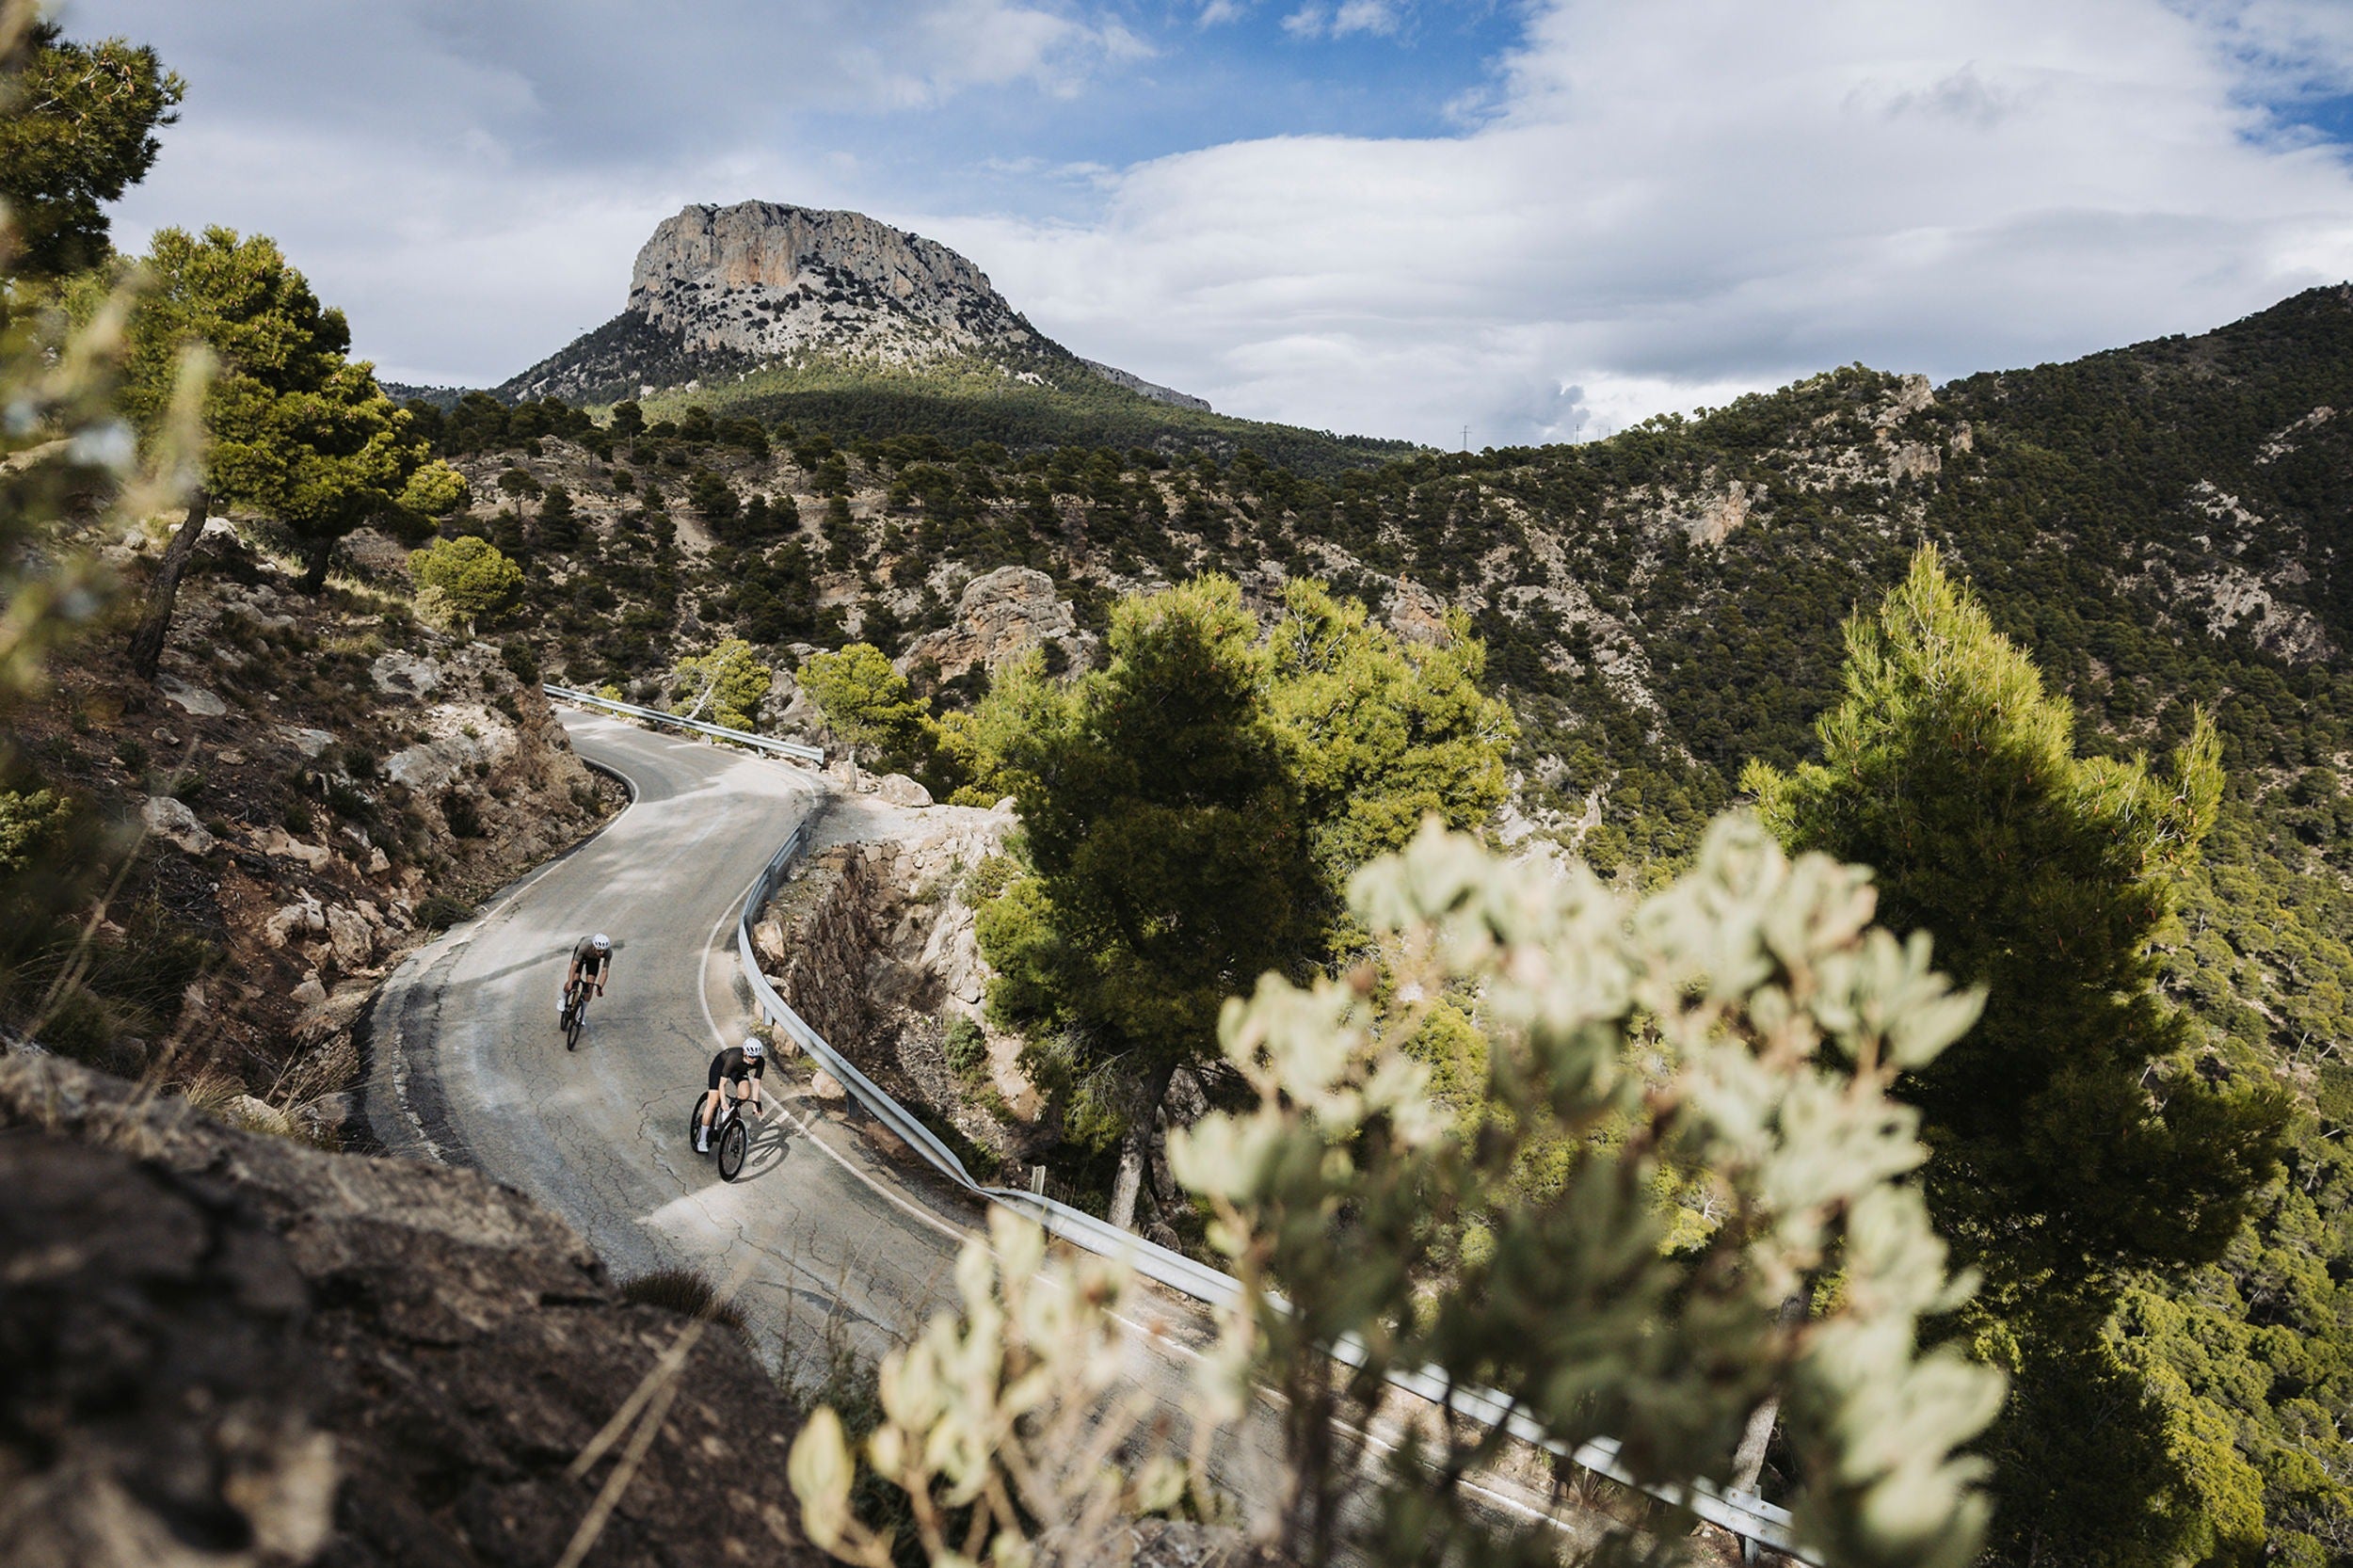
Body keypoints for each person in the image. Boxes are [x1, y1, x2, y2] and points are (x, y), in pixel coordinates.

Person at [697, 1034, 766, 1152]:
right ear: (745, 1053)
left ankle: (730, 1112)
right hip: (721, 1067)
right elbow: (722, 1084)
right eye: (751, 1056)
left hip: (738, 1071)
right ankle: (702, 1140)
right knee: (713, 1101)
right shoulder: (734, 1058)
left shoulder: (760, 1062)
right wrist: (723, 1102)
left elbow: (756, 1083)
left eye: (756, 1057)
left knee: (745, 1094)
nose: (754, 1060)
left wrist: (756, 1104)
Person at [560, 933, 613, 1027]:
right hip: (582, 955)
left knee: (590, 985)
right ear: (594, 947)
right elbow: (574, 965)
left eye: (603, 951)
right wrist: (570, 981)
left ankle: (582, 1015)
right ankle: (563, 998)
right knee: (574, 979)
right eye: (599, 951)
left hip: (593, 960)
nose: (601, 954)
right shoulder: (585, 945)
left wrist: (600, 987)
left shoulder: (608, 952)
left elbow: (605, 971)